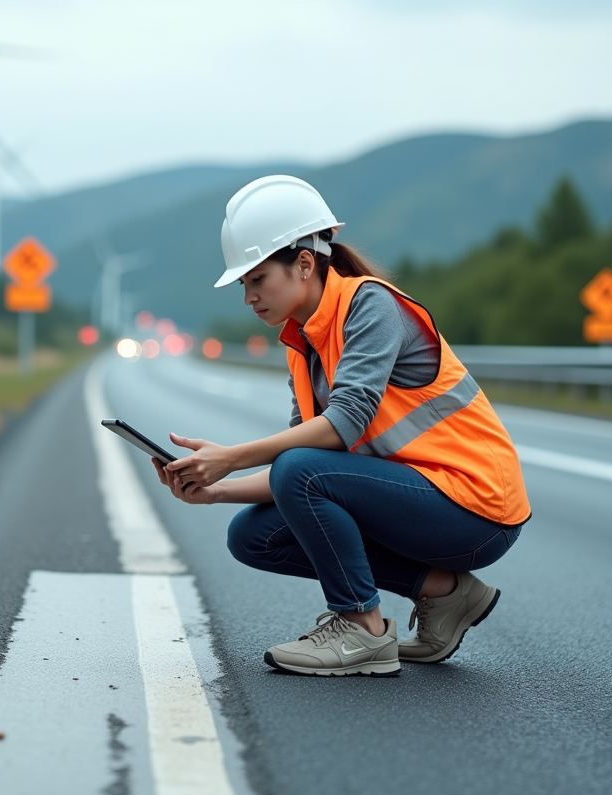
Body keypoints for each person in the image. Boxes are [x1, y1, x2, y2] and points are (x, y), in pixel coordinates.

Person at [151, 175, 530, 677]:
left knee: (296, 471)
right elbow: (306, 471)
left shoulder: (369, 304)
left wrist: (231, 456)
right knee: (253, 536)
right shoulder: (303, 344)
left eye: (257, 279)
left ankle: (362, 628)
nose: (248, 297)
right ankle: (445, 593)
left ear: (304, 264)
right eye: (244, 284)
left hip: (476, 509)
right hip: (424, 502)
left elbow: (340, 428)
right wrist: (215, 487)